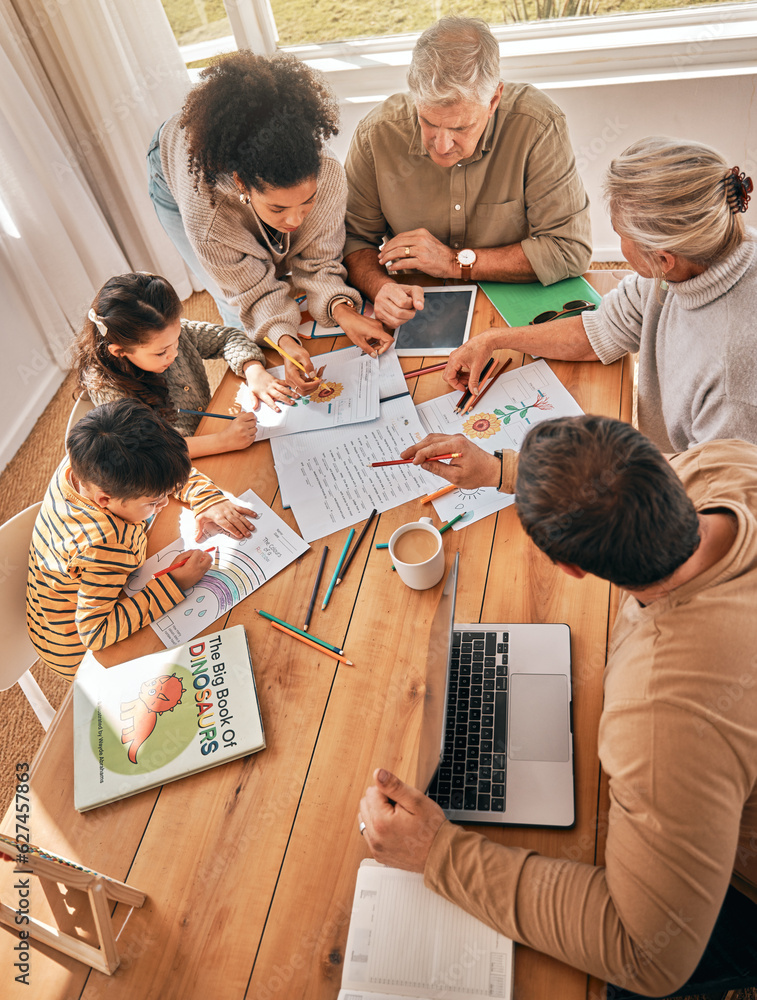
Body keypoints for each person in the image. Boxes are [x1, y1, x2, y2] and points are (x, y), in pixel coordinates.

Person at [361, 417, 757, 999]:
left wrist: (438, 854)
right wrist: (503, 472)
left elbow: (647, 953)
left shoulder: (662, 716)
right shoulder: (730, 462)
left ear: (570, 569)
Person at [444, 137, 757, 452]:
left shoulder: (731, 386)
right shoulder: (690, 259)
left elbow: (705, 486)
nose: (619, 243)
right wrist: (495, 340)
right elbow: (601, 331)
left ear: (663, 260)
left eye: (620, 235)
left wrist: (508, 471)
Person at [148, 51, 392, 393]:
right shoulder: (208, 215)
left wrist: (342, 309)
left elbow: (319, 259)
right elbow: (249, 290)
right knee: (234, 310)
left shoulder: (330, 175)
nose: (294, 219)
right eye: (278, 209)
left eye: (307, 202)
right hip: (174, 171)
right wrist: (285, 343)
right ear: (243, 185)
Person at [343, 16, 592, 328]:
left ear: (494, 99)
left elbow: (569, 249)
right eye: (429, 122)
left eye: (461, 127)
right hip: (417, 310)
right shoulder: (377, 134)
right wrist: (381, 288)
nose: (442, 145)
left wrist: (452, 262)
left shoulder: (538, 125)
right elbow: (352, 239)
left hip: (517, 304)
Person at [27, 399, 257, 679]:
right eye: (154, 502)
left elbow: (162, 471)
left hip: (93, 589)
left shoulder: (85, 465)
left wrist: (206, 498)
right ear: (105, 499)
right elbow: (95, 634)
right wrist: (176, 583)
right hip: (82, 654)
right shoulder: (103, 543)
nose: (162, 504)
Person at [71, 272, 296, 458]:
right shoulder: (110, 391)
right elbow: (150, 452)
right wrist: (222, 441)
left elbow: (227, 338)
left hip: (212, 426)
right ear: (120, 351)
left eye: (176, 339)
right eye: (161, 352)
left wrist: (253, 370)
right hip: (182, 464)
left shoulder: (167, 336)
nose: (175, 353)